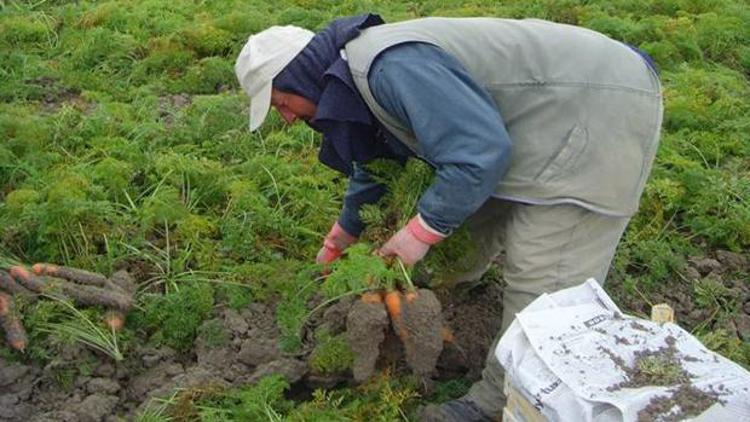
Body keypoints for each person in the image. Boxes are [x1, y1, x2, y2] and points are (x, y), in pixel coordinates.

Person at [235, 13, 662, 421]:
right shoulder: (355, 80)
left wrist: (420, 232)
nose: (287, 119)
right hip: (525, 123)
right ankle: (442, 320)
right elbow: (374, 162)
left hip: (596, 107)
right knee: (460, 239)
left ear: (297, 76)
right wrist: (342, 235)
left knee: (544, 283)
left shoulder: (389, 68)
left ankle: (501, 402)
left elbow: (478, 153)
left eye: (282, 102)